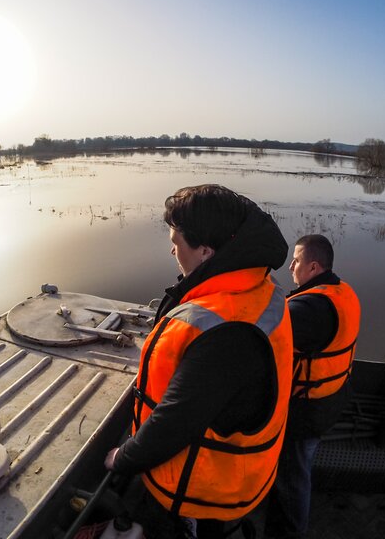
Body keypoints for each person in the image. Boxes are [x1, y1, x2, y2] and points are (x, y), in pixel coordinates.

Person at [103, 184, 293, 538]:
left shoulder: (227, 333)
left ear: (206, 251)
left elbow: (175, 421)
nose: (172, 250)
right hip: (236, 471)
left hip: (204, 493)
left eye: (176, 242)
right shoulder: (259, 284)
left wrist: (123, 458)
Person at [264, 234, 361, 539]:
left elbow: (265, 335)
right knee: (298, 468)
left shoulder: (311, 310)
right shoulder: (341, 291)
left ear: (314, 267)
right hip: (331, 399)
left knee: (293, 477)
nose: (290, 266)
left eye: (296, 261)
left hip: (305, 412)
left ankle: (290, 531)